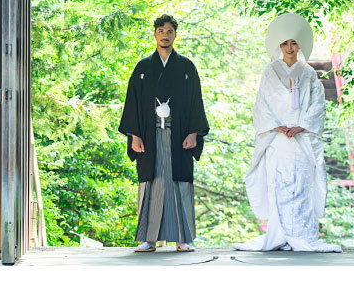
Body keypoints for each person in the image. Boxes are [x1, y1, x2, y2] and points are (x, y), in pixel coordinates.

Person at [234, 13, 341, 253]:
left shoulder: (309, 73)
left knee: (302, 184)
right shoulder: (269, 72)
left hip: (301, 138)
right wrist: (276, 125)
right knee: (279, 185)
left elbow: (318, 104)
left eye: (293, 43)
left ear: (299, 45)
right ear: (279, 46)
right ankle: (280, 235)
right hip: (278, 139)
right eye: (285, 43)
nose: (289, 48)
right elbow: (261, 104)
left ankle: (302, 234)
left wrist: (302, 125)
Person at [118, 14, 209, 253]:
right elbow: (133, 103)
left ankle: (183, 238)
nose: (165, 35)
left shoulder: (186, 67)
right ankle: (148, 238)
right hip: (150, 136)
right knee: (152, 183)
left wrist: (194, 133)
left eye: (169, 31)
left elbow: (195, 103)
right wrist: (134, 135)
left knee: (180, 183)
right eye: (161, 31)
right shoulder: (143, 68)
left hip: (179, 135)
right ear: (155, 34)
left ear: (175, 35)